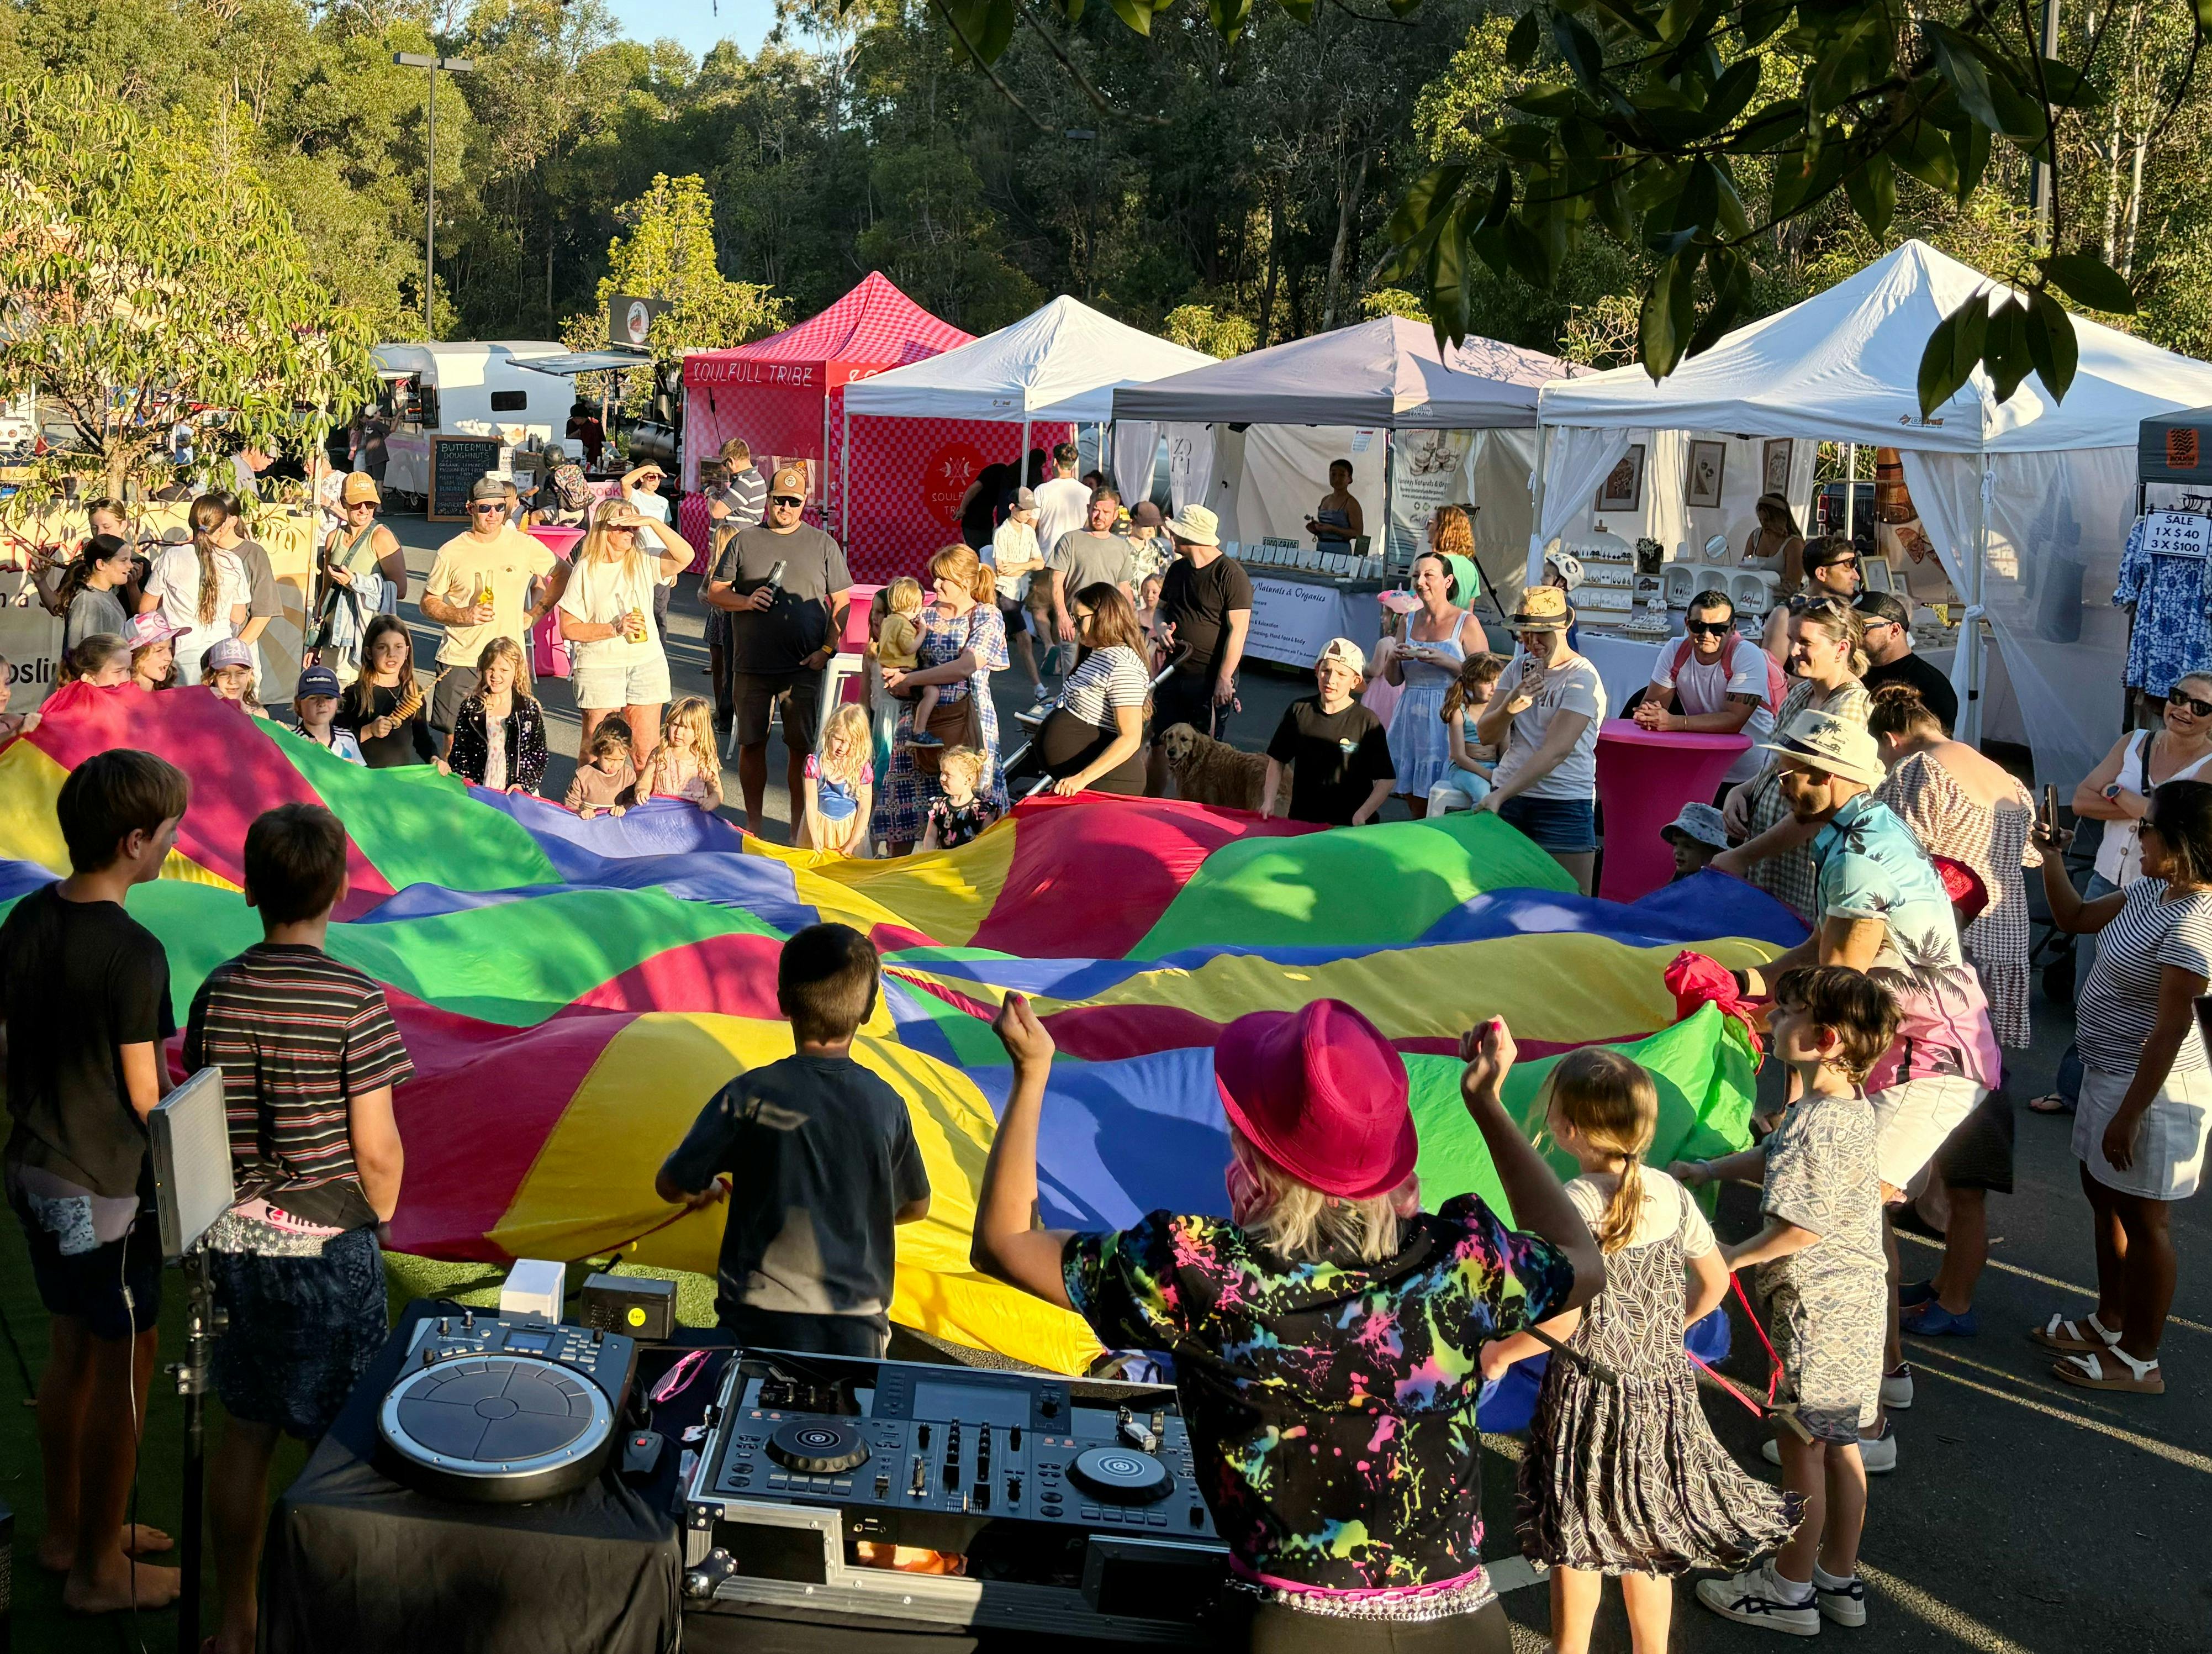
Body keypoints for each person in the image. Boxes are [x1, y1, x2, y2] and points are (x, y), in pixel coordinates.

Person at [971, 995, 1601, 1652]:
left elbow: (1005, 1243)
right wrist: (1489, 1110)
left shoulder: (1201, 1271)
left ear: (1255, 1155)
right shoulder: (1462, 1262)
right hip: (1466, 1632)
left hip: (1291, 1629)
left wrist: (1032, 1074)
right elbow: (1584, 1263)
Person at [1712, 708, 2000, 1470]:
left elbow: (1834, 989)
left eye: (1799, 766)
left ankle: (1859, 1424)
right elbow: (1820, 951)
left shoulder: (1860, 852)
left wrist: (1794, 1083)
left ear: (1839, 777)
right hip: (1912, 1048)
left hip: (1927, 1059)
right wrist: (1748, 981)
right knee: (1858, 1223)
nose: (1783, 776)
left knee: (1838, 1224)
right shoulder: (1851, 830)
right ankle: (1886, 1375)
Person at [184, 802, 410, 1654]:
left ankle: (239, 1616)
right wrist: (379, 1219)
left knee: (247, 1423)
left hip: (236, 1235)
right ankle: (325, 1621)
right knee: (344, 1438)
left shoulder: (220, 990)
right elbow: (376, 1145)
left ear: (248, 887)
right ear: (341, 888)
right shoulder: (354, 997)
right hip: (326, 1239)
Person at [1498, 1048, 1799, 1654]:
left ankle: (1570, 1649)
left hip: (1590, 1398)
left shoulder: (1574, 1203)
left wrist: (1503, 1354)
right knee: (1647, 1530)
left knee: (1579, 1535)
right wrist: (1667, 1330)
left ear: (1566, 1129)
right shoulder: (1669, 1192)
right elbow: (1714, 1285)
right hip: (1662, 1394)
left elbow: (1568, 1317)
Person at [2, 749, 189, 1613]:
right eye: (170, 832)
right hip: (108, 1188)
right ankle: (99, 1573)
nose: (173, 845)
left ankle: (68, 1527)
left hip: (35, 1170)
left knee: (71, 1348)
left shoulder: (28, 918)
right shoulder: (136, 953)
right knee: (125, 1361)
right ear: (136, 840)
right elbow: (147, 1095)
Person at [1681, 967, 1898, 1637]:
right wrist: (1713, 1170)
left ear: (1822, 1038)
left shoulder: (1813, 1125)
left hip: (1815, 1306)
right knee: (1839, 1444)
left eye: (1786, 1014)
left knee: (1801, 1441)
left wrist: (1730, 1258)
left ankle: (1788, 1588)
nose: (1772, 1022)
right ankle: (1837, 1577)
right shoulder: (1844, 1113)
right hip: (1858, 1303)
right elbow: (1772, 1155)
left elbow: (1801, 1228)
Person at [655, 923, 930, 1353]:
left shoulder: (748, 1096)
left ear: (782, 1002)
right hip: (857, 1329)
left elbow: (672, 1184)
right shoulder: (887, 1104)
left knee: (747, 1415)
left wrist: (705, 1187)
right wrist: (858, 1209)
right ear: (870, 1009)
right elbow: (916, 1207)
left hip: (757, 1320)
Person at [2029, 780, 2212, 1395]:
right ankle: (2111, 1320)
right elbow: (2074, 917)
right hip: (2107, 1071)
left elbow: (2168, 1033)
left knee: (2146, 1217)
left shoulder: (2195, 924)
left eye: (2150, 827)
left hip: (2149, 1093)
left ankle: (2141, 1359)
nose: (2139, 833)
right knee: (2104, 1195)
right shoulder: (2154, 890)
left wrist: (2129, 1116)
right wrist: (2051, 855)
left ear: (2183, 845)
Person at [1867, 683, 2037, 1336]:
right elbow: (2019, 858)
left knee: (1967, 1158)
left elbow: (1899, 864)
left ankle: (1956, 1297)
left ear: (1891, 738)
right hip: (2000, 951)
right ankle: (1946, 1285)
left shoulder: (1918, 772)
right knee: (1966, 1148)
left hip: (1949, 965)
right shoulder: (2001, 774)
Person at [2034, 672, 2212, 1114]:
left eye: (2200, 707)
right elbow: (2080, 802)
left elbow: (2179, 822)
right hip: (2110, 880)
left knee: (2153, 1006)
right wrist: (2140, 805)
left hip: (2165, 890)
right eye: (2178, 698)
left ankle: (2132, 1096)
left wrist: (2116, 793)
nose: (2184, 710)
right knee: (2089, 990)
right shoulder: (2136, 741)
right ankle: (2078, 1087)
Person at [705, 466, 852, 835]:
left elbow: (842, 602)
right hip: (752, 665)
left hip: (803, 666)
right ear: (767, 499)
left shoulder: (822, 544)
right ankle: (754, 825)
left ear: (805, 504)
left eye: (793, 501)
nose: (785, 507)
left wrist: (827, 649)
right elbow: (715, 593)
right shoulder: (744, 540)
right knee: (751, 744)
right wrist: (746, 600)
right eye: (779, 500)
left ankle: (795, 828)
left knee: (800, 749)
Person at [1714, 601, 1872, 924]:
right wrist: (1742, 791)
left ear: (1841, 648)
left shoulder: (1849, 709)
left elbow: (1819, 806)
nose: (1794, 650)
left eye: (1806, 642)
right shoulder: (1802, 695)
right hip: (1772, 861)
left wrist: (1742, 856)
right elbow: (1777, 767)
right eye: (1792, 639)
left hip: (1803, 865)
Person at [874, 545, 1010, 856]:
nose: (934, 585)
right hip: (919, 722)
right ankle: (896, 885)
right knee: (904, 817)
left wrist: (912, 679)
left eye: (942, 579)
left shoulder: (987, 616)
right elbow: (893, 649)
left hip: (968, 722)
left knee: (970, 817)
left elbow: (966, 665)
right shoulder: (924, 615)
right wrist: (894, 673)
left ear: (964, 582)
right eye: (934, 578)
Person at [1474, 586, 1607, 891]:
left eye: (1541, 633)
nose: (1532, 643)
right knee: (1501, 897)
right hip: (1510, 797)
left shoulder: (1581, 677)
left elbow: (1556, 752)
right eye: (1525, 633)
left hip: (1562, 802)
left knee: (1571, 904)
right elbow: (1486, 734)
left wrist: (1501, 794)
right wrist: (1510, 707)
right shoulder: (1517, 668)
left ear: (1564, 625)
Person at [420, 475, 566, 746]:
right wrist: (462, 615)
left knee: (509, 743)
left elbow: (562, 573)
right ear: (470, 508)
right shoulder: (450, 552)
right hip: (462, 658)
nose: (493, 515)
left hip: (509, 662)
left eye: (500, 508)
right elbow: (428, 602)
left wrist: (536, 613)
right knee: (455, 746)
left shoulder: (523, 545)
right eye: (485, 508)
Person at [558, 499, 683, 767]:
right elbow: (568, 628)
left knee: (646, 753)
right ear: (605, 528)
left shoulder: (643, 558)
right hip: (600, 666)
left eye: (634, 527)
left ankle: (643, 807)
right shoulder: (586, 569)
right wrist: (613, 629)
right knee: (596, 751)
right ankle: (590, 805)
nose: (631, 532)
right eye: (624, 527)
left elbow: (686, 557)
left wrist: (651, 522)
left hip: (645, 663)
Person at [1147, 505, 1252, 794]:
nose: (1172, 536)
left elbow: (1238, 630)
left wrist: (1224, 678)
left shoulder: (1230, 574)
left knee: (1206, 752)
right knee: (1159, 741)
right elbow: (1161, 611)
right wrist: (1161, 629)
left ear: (1190, 536)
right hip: (1174, 671)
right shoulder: (1178, 569)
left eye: (1176, 532)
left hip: (1209, 677)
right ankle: (1150, 803)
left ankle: (1198, 812)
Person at [1634, 589, 1780, 791]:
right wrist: (1649, 716)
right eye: (1698, 626)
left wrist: (1674, 722)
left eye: (1718, 628)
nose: (1706, 635)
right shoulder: (1675, 649)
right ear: (1687, 624)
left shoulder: (1747, 654)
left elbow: (1734, 721)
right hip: (1702, 767)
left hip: (1751, 774)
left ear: (1732, 629)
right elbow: (1651, 705)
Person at [1018, 583, 1152, 797]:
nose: (1074, 626)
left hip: (1108, 783)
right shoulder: (1097, 653)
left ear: (1104, 616)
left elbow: (1131, 738)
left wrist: (1082, 778)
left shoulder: (1123, 665)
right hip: (1080, 778)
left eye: (1079, 620)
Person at [1384, 551, 1485, 817]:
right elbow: (1395, 680)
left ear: (1448, 581)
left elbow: (1486, 679)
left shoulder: (1466, 622)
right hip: (1411, 717)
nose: (1421, 582)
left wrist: (1448, 662)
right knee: (1411, 793)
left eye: (1429, 575)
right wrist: (1393, 658)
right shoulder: (1408, 620)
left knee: (1445, 795)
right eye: (1417, 575)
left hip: (1449, 716)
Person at [1263, 638, 1396, 827]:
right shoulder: (1300, 710)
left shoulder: (1367, 721)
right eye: (1326, 671)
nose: (1331, 680)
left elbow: (1386, 779)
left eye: (1342, 674)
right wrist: (1269, 800)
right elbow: (1277, 760)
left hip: (1348, 827)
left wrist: (1362, 814)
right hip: (1303, 822)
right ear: (1317, 672)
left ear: (1355, 681)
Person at [1033, 487, 1137, 704]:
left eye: (1106, 512)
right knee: (1074, 683)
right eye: (1095, 510)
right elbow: (1057, 582)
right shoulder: (1070, 540)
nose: (1099, 516)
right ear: (1088, 508)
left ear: (1116, 515)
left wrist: (1132, 624)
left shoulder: (1121, 547)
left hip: (1109, 626)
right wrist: (1062, 615)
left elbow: (1124, 589)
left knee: (1106, 683)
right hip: (1076, 624)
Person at [140, 493, 249, 684]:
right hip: (221, 656)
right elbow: (238, 617)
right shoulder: (233, 561)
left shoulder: (172, 556)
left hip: (183, 654)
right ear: (223, 527)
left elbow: (146, 609)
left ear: (191, 522)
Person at [314, 473, 408, 682]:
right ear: (344, 503)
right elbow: (326, 590)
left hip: (366, 635)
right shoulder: (334, 537)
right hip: (333, 635)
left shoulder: (381, 537)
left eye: (371, 504)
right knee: (330, 694)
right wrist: (316, 638)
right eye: (357, 504)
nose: (364, 510)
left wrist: (356, 583)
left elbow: (400, 589)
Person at [705, 440, 770, 739]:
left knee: (729, 651)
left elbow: (718, 511)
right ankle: (725, 710)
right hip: (734, 568)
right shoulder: (750, 480)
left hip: (733, 571)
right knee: (724, 651)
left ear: (731, 461)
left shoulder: (746, 481)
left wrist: (710, 494)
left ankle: (728, 714)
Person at [441, 637, 548, 795]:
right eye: (491, 669)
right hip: (479, 788)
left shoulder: (528, 710)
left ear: (517, 671)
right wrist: (465, 779)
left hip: (516, 792)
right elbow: (460, 751)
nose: (495, 676)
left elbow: (538, 754)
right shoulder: (472, 708)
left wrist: (523, 785)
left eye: (504, 670)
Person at [334, 615, 434, 768]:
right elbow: (335, 741)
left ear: (407, 652)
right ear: (369, 653)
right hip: (362, 777)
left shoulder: (413, 692)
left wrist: (435, 758)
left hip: (397, 781)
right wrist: (369, 731)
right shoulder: (354, 694)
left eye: (398, 647)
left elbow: (422, 738)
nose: (391, 654)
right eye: (382, 647)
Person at [1854, 593, 1957, 732]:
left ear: (1894, 631)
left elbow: (1936, 745)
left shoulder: (1930, 685)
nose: (1853, 635)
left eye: (1862, 628)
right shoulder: (1853, 674)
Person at [208, 492, 279, 690]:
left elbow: (263, 613)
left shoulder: (254, 554)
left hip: (240, 645)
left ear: (233, 520)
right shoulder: (198, 552)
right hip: (204, 645)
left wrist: (234, 653)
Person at [1427, 653, 1503, 814]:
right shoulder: (1460, 712)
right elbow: (1459, 756)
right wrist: (1489, 775)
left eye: (1498, 681)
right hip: (1464, 770)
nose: (1494, 688)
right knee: (1484, 795)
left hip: (1494, 767)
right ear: (1471, 683)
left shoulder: (1499, 711)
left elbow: (1505, 750)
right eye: (1488, 682)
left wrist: (1503, 773)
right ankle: (1476, 831)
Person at [1762, 536, 1862, 656]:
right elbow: (1773, 672)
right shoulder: (1785, 615)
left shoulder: (1848, 610)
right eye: (1847, 568)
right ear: (1822, 573)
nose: (1856, 577)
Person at [802, 704, 875, 855]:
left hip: (849, 830)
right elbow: (811, 803)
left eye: (851, 743)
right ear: (829, 733)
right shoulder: (815, 765)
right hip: (818, 826)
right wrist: (815, 839)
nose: (843, 747)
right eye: (839, 739)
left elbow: (864, 809)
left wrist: (853, 843)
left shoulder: (862, 769)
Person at [641, 696, 724, 810]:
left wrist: (710, 802)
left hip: (690, 817)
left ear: (699, 731)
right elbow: (645, 780)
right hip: (660, 813)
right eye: (675, 725)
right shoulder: (660, 754)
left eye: (686, 727)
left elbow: (717, 792)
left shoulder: (704, 761)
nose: (679, 732)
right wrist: (642, 790)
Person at [875, 577, 933, 736]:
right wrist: (922, 632)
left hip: (888, 668)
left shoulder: (888, 621)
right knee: (932, 693)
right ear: (915, 606)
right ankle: (921, 729)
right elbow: (909, 648)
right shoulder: (904, 625)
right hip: (904, 670)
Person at [59, 535, 134, 650]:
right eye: (123, 560)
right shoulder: (88, 601)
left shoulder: (108, 594)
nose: (130, 566)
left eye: (129, 559)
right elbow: (82, 655)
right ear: (101, 564)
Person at [919, 746, 999, 851]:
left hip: (971, 864)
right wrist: (929, 856)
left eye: (948, 775)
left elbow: (988, 843)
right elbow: (930, 836)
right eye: (942, 773)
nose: (942, 778)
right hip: (945, 863)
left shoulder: (982, 811)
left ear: (968, 779)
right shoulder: (938, 807)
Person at [1031, 441, 1091, 564]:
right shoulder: (1087, 492)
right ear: (1073, 465)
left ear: (1055, 462)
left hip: (1046, 557)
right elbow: (1088, 526)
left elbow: (1031, 527)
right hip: (1076, 558)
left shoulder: (1042, 491)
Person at [291, 665, 363, 764]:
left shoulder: (347, 739)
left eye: (328, 697)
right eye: (313, 698)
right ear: (298, 704)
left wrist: (355, 768)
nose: (322, 703)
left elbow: (364, 775)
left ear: (338, 702)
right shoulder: (292, 741)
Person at [566, 720, 638, 819]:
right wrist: (580, 812)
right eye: (609, 759)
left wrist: (624, 807)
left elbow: (633, 801)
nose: (614, 765)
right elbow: (570, 804)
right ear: (598, 752)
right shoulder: (584, 776)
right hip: (588, 826)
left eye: (621, 760)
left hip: (614, 827)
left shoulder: (628, 775)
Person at [1741, 493, 1807, 588]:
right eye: (1760, 520)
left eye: (1767, 520)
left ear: (1780, 518)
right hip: (1753, 593)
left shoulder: (1794, 544)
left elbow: (1793, 584)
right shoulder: (1756, 536)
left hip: (1780, 597)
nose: (1764, 524)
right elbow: (1743, 567)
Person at [1303, 457, 1364, 556]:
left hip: (1341, 552)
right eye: (1333, 474)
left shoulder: (1351, 503)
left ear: (1350, 479)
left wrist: (1333, 529)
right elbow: (1326, 527)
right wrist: (1317, 529)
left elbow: (1358, 534)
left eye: (1342, 475)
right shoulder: (1325, 500)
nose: (1337, 478)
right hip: (1321, 548)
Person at [201, 636, 267, 717]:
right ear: (212, 677)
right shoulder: (204, 711)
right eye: (224, 674)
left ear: (250, 675)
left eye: (240, 673)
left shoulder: (259, 715)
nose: (232, 681)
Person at [1662, 802, 1730, 879]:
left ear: (1714, 851)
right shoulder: (1679, 884)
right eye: (1676, 844)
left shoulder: (1719, 887)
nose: (1678, 851)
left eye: (1688, 846)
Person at [124, 613, 183, 693]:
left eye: (170, 649)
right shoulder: (118, 701)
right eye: (159, 650)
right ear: (135, 654)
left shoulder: (173, 695)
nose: (170, 658)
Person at [1126, 499, 1174, 588]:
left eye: (1154, 526)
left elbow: (1174, 571)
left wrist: (1174, 544)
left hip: (1149, 599)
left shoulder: (1156, 547)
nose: (1151, 530)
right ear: (1132, 523)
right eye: (1146, 526)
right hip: (1125, 600)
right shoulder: (1122, 547)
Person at [59, 635, 134, 689]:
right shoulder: (81, 710)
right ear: (91, 677)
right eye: (118, 672)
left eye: (128, 670)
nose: (127, 679)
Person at [567, 403, 606, 470]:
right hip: (577, 459)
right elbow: (568, 440)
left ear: (581, 417)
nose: (574, 420)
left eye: (575, 418)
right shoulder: (571, 424)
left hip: (592, 460)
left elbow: (602, 442)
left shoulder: (593, 425)